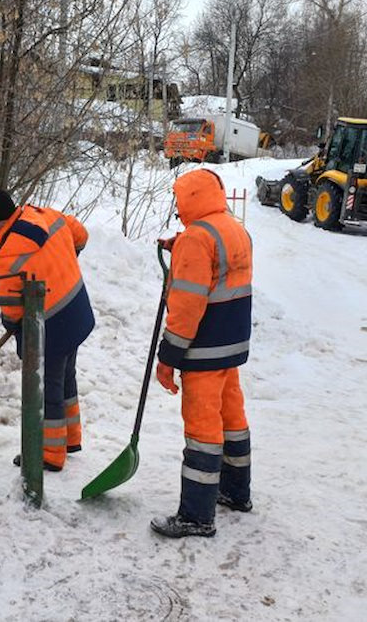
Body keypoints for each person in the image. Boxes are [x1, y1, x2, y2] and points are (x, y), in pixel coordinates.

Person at [150, 168, 253, 539]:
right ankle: (236, 492)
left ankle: (196, 515)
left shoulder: (197, 238)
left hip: (205, 348)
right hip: (232, 345)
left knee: (203, 430)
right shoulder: (232, 227)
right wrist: (180, 244)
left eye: (180, 201)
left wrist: (169, 358)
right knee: (232, 419)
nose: (178, 209)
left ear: (191, 199)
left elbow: (187, 307)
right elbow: (218, 265)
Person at [0, 188, 94, 472]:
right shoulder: (46, 216)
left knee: (47, 387)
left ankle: (50, 453)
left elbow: (12, 309)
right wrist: (66, 257)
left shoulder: (8, 255)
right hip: (76, 308)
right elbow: (80, 234)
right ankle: (70, 438)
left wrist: (11, 326)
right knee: (66, 377)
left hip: (51, 322)